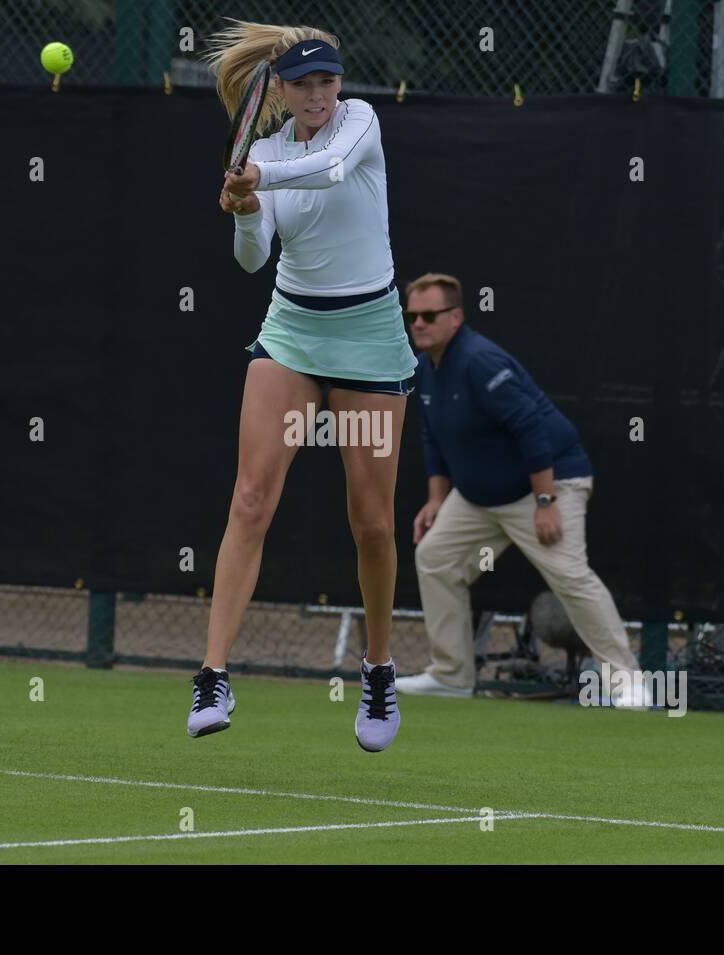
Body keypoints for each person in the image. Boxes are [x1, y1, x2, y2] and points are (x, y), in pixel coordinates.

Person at [189, 20, 417, 751]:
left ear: (338, 86)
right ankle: (213, 673)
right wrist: (247, 211)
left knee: (372, 520)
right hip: (290, 332)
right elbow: (253, 260)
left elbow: (330, 173)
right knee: (251, 496)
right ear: (279, 91)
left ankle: (377, 668)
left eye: (327, 81)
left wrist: (260, 179)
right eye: (303, 84)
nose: (318, 94)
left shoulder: (361, 125)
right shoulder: (264, 151)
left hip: (369, 338)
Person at [401, 273, 643, 699]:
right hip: (480, 498)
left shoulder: (480, 361)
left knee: (570, 577)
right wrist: (437, 499)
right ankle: (452, 676)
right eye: (412, 315)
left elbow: (531, 428)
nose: (418, 323)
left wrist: (546, 501)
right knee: (436, 558)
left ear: (455, 317)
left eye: (428, 315)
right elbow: (433, 436)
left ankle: (629, 683)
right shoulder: (425, 368)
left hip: (550, 484)